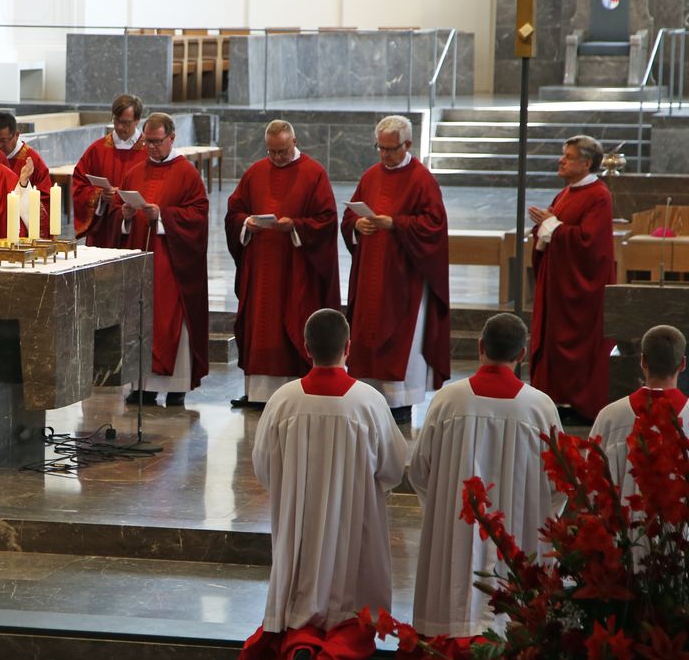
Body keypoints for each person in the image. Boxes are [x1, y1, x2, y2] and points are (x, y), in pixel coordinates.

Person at [236, 309, 406, 660]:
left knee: (302, 604)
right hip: (356, 524)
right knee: (353, 609)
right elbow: (394, 468)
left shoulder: (283, 399)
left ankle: (301, 649)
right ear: (348, 348)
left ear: (306, 349)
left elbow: (264, 466)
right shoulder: (369, 401)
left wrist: (295, 488)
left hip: (300, 524)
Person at [394, 313, 563, 660]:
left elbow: (420, 470)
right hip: (518, 533)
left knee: (451, 597)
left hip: (455, 527)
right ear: (523, 353)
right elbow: (558, 481)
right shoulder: (540, 407)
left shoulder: (448, 400)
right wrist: (537, 513)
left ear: (479, 348)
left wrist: (440, 507)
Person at [341, 115, 450, 426]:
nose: (385, 155)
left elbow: (434, 226)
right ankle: (368, 397)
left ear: (409, 145)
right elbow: (350, 216)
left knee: (402, 340)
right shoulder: (370, 176)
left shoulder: (422, 179)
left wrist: (396, 224)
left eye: (391, 149)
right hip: (371, 274)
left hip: (405, 280)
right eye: (380, 148)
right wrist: (357, 225)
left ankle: (399, 403)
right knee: (366, 334)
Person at [224, 120, 340, 409]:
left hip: (295, 269)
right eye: (272, 151)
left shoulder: (314, 174)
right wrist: (246, 223)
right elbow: (234, 211)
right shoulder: (255, 172)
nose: (276, 158)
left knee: (290, 323)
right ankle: (258, 393)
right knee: (260, 325)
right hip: (260, 268)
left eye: (283, 151)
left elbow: (326, 220)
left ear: (295, 142)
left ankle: (293, 392)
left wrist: (296, 227)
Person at [112, 112, 208, 408]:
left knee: (170, 321)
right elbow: (119, 212)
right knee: (142, 320)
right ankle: (144, 387)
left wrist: (164, 216)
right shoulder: (135, 172)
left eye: (157, 142)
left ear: (172, 138)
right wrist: (126, 216)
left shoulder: (187, 173)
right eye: (148, 142)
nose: (151, 148)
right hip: (142, 263)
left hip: (172, 263)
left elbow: (199, 215)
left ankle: (176, 387)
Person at [528, 135, 615, 424]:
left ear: (587, 163)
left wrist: (551, 225)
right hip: (557, 286)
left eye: (568, 156)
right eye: (562, 155)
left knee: (578, 346)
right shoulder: (565, 193)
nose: (561, 160)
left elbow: (589, 244)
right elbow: (555, 231)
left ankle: (581, 404)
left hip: (580, 291)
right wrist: (544, 228)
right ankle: (554, 398)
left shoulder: (599, 195)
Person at [591, 324, 689, 497]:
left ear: (642, 361)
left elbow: (592, 480)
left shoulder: (610, 417)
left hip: (621, 523)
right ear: (682, 364)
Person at [72, 93, 147, 246]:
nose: (119, 127)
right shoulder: (97, 150)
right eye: (116, 121)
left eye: (126, 122)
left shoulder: (148, 151)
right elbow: (79, 184)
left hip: (137, 227)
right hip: (104, 229)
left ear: (137, 120)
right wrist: (100, 196)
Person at [0, 111, 52, 233]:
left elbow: (45, 197)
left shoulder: (32, 160)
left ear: (16, 135)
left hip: (21, 228)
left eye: (4, 140)